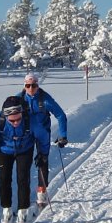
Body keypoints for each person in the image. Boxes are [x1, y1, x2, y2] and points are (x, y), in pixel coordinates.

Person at [0, 93, 47, 223]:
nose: (16, 122)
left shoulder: (31, 120)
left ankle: (23, 211)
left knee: (23, 178)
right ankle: (7, 210)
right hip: (5, 151)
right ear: (6, 117)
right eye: (12, 120)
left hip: (25, 149)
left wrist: (43, 154)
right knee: (4, 179)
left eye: (18, 119)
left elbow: (43, 136)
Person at [19, 73, 68, 207]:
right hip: (26, 134)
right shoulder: (20, 98)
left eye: (33, 85)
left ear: (37, 85)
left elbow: (61, 115)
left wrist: (63, 135)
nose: (31, 88)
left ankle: (42, 191)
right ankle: (25, 193)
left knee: (42, 161)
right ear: (24, 86)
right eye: (28, 86)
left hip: (42, 134)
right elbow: (8, 114)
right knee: (25, 162)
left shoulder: (45, 99)